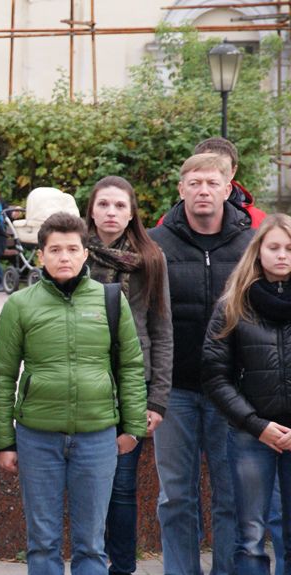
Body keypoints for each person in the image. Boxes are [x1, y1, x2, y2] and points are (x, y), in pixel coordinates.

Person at [0, 212, 147, 575]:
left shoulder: (110, 300)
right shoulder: (20, 305)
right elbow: (2, 375)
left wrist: (132, 426)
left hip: (97, 435)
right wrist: (4, 440)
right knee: (42, 543)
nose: (64, 257)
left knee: (91, 544)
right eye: (55, 249)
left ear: (85, 253)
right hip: (37, 437)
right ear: (41, 255)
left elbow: (131, 366)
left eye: (73, 249)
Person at [148, 153, 253, 575]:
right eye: (194, 183)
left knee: (231, 496)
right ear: (181, 189)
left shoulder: (250, 244)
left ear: (228, 188)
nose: (203, 191)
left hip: (232, 392)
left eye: (211, 183)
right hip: (174, 391)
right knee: (176, 497)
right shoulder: (156, 243)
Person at [85, 175, 173, 575]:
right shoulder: (75, 252)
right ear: (91, 210)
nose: (111, 212)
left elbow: (162, 328)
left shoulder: (150, 258)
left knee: (122, 485)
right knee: (90, 483)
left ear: (132, 212)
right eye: (103, 204)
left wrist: (158, 398)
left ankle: (121, 567)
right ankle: (90, 561)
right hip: (86, 378)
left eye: (120, 205)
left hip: (133, 381)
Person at [203, 213, 291, 575]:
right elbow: (215, 375)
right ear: (258, 251)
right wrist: (256, 425)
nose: (282, 255)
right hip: (250, 435)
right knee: (251, 536)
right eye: (274, 247)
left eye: (289, 248)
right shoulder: (233, 305)